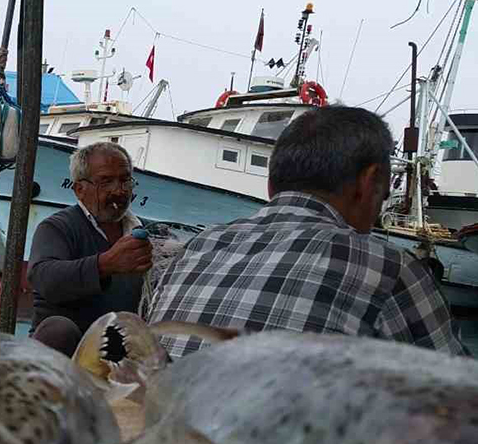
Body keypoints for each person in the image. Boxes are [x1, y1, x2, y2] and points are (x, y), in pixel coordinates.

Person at [146, 105, 469, 359]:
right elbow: (459, 395)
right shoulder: (389, 268)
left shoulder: (197, 246)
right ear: (370, 182)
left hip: (165, 435)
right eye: (384, 193)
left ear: (271, 184)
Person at [27, 141, 152, 355]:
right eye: (106, 182)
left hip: (119, 353)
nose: (119, 191)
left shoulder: (145, 232)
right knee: (58, 329)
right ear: (79, 189)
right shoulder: (57, 228)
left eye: (125, 180)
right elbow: (43, 277)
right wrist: (105, 264)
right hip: (67, 355)